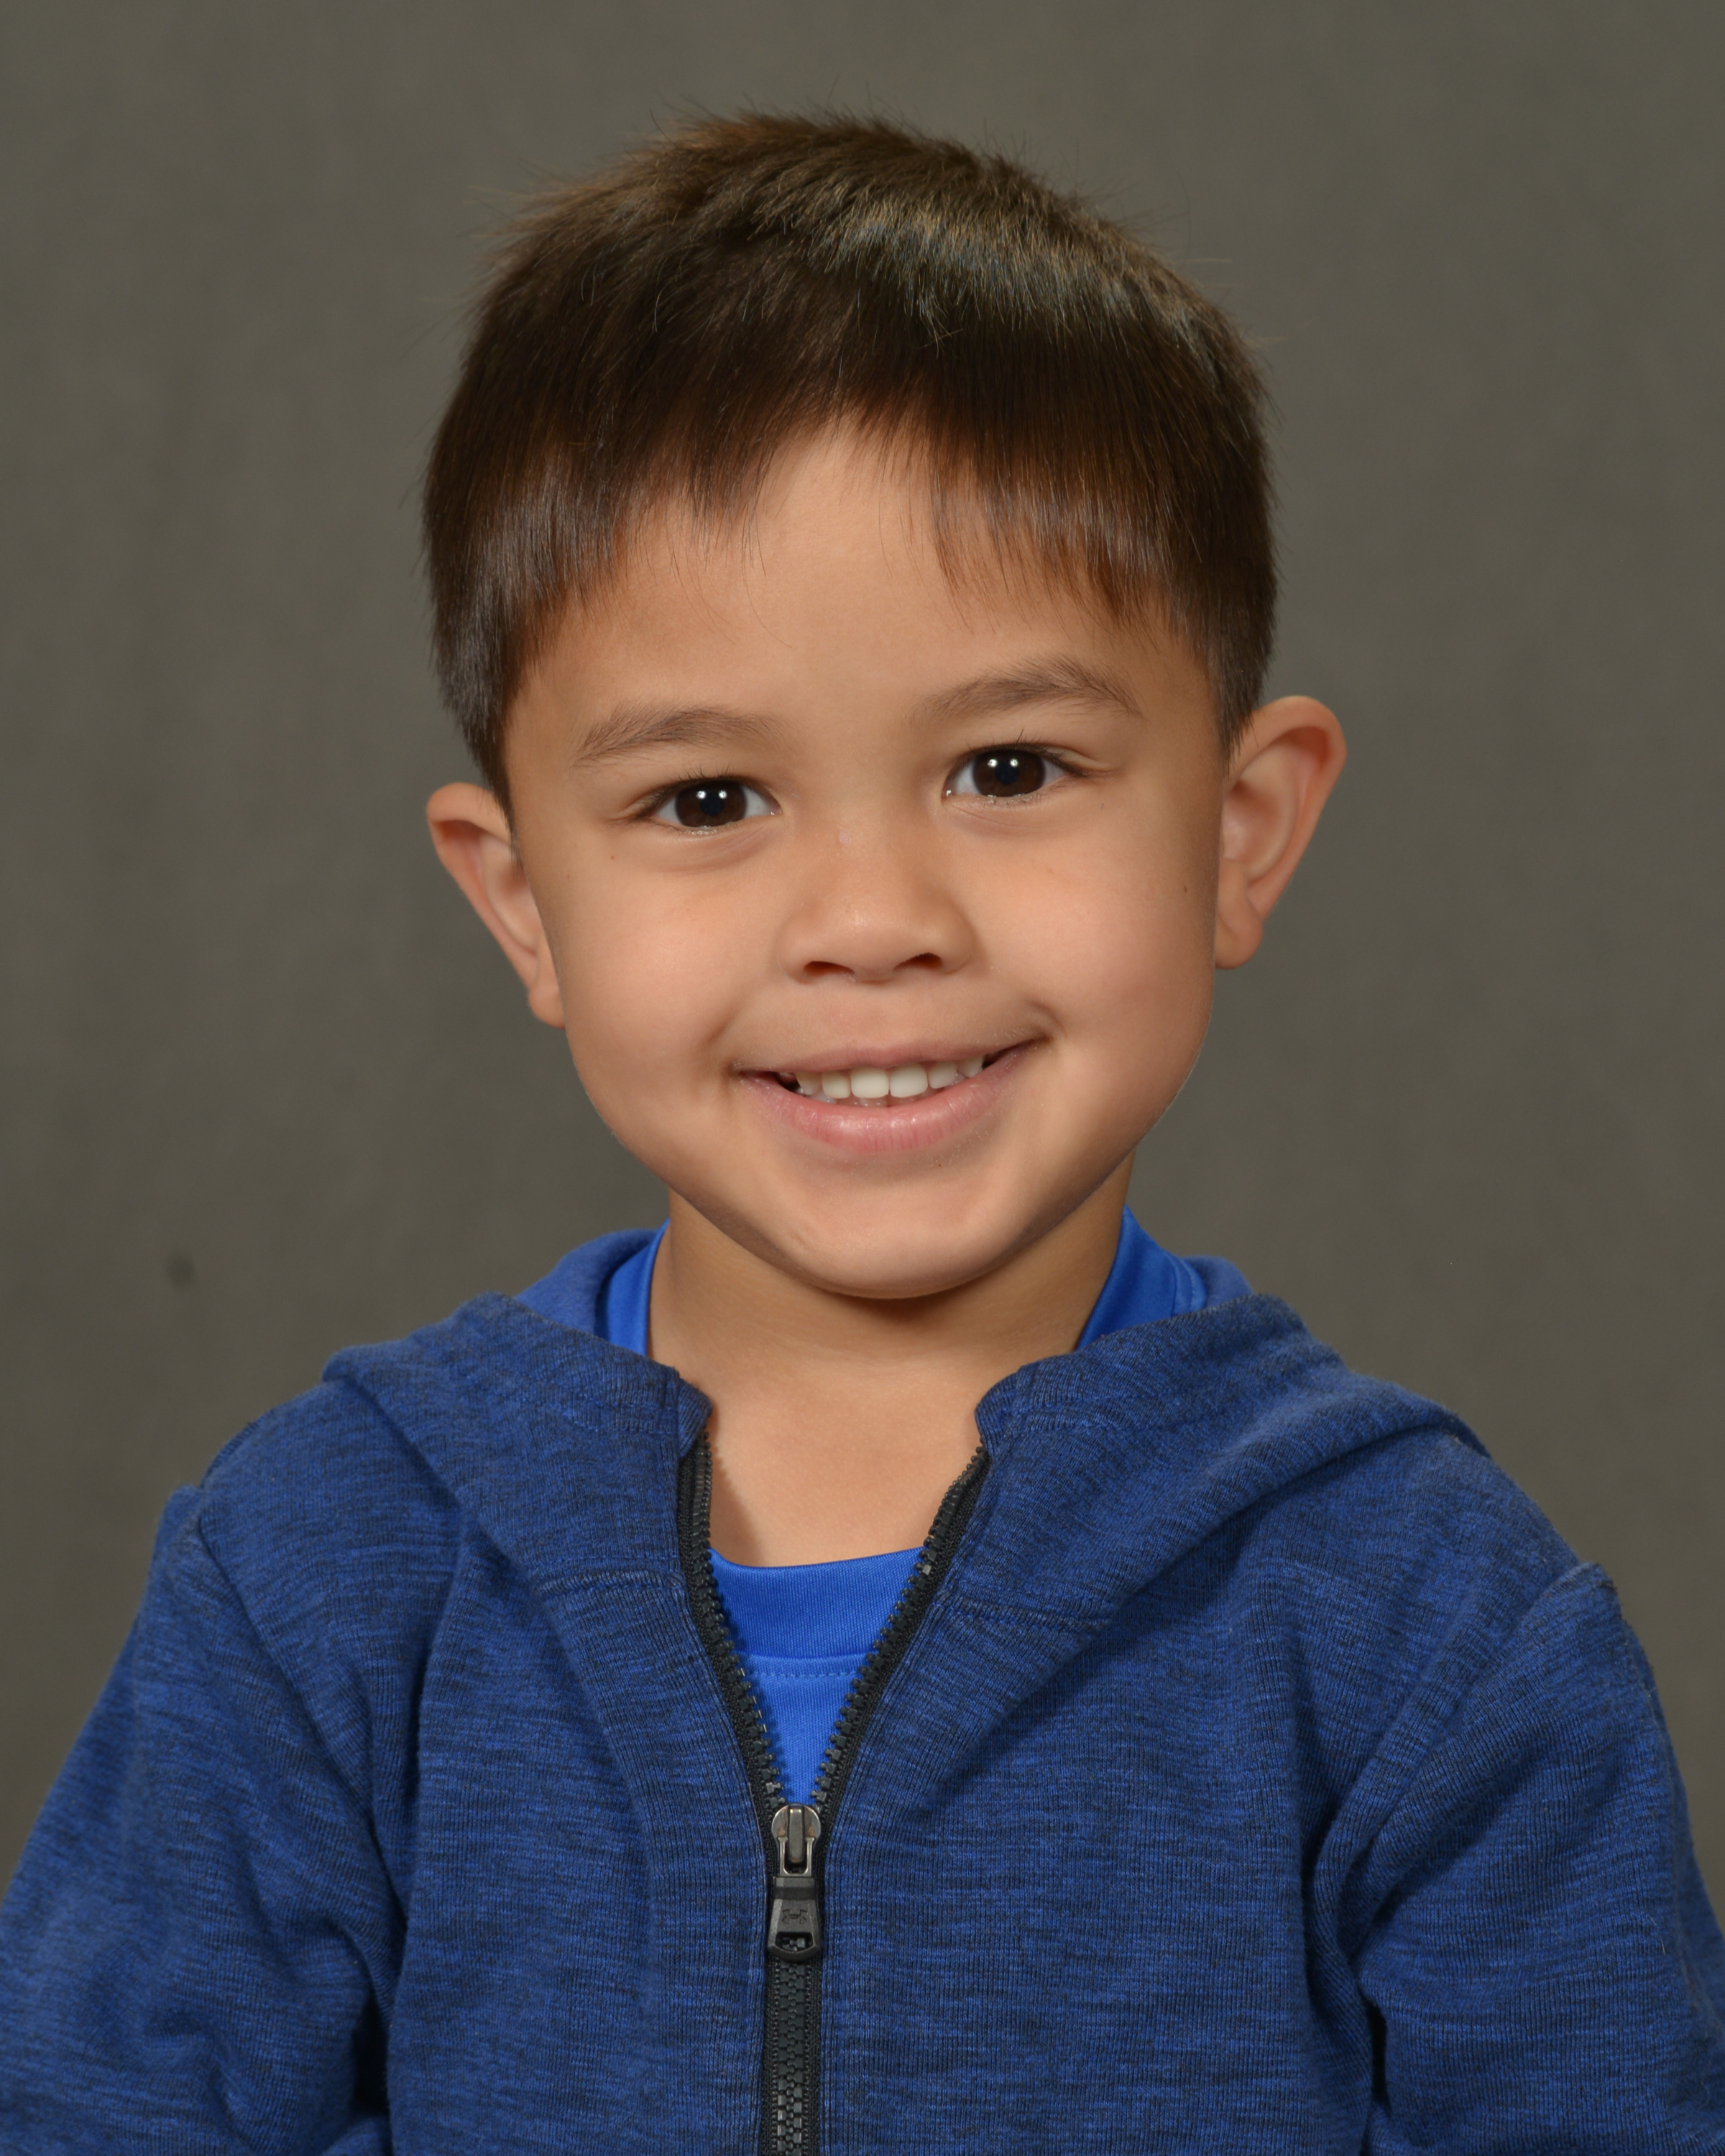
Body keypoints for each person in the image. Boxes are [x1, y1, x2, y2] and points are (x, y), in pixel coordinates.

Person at [2, 111, 1721, 2153]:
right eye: (707, 801)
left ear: (1241, 833)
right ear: (524, 905)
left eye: (1010, 766)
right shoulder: (324, 1577)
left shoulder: (1433, 1630)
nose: (874, 921)